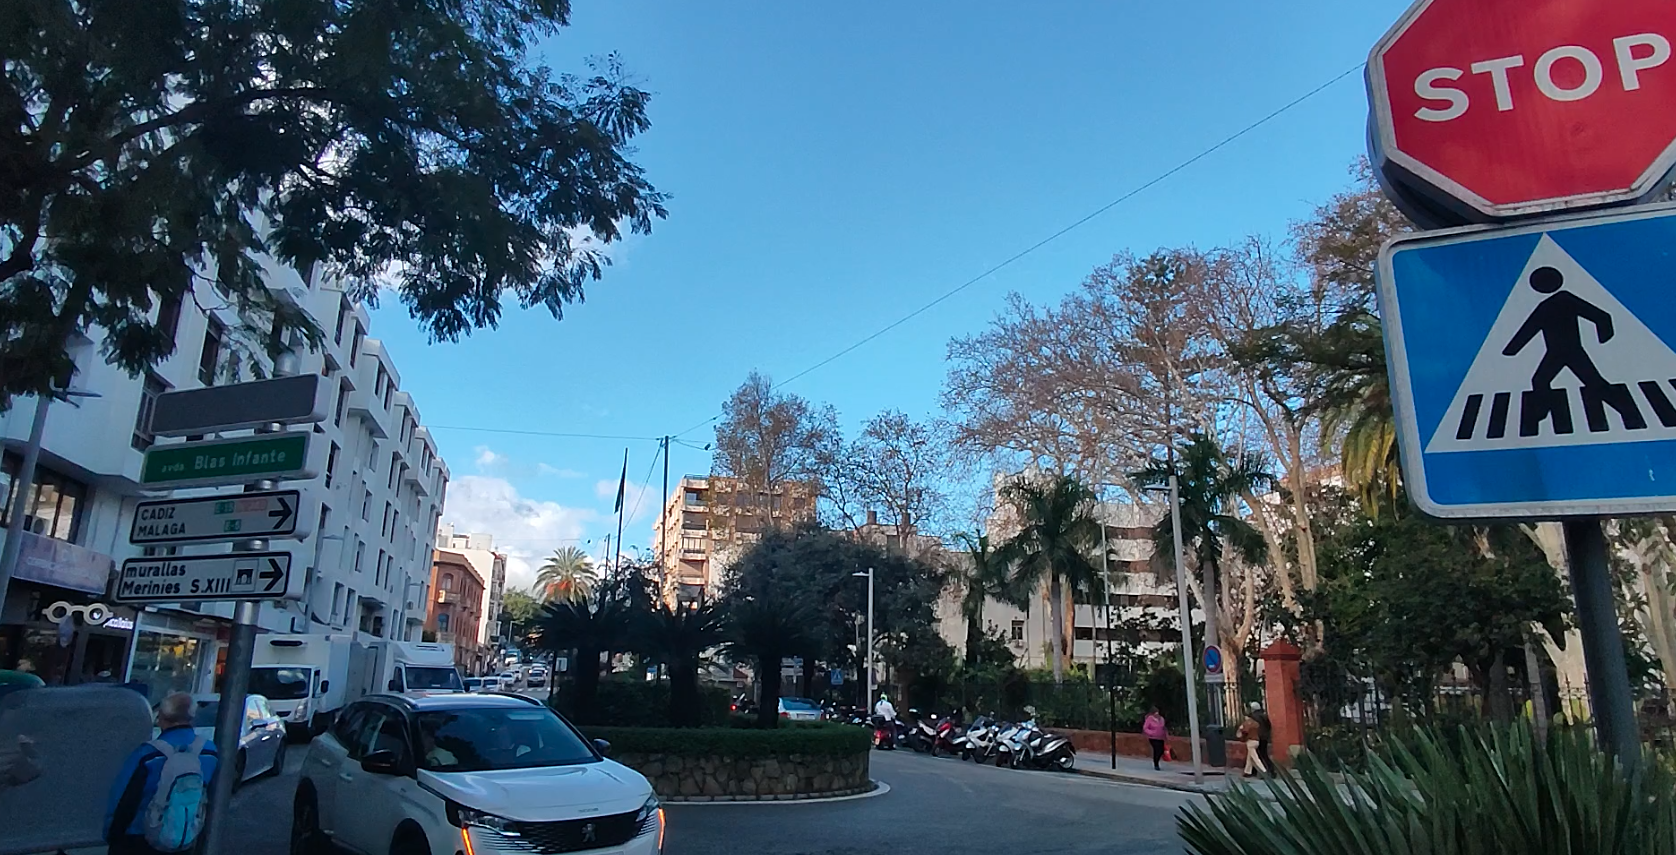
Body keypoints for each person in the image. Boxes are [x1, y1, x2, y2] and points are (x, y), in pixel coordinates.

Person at [104, 693, 218, 855]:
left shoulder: (148, 753)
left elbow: (123, 799)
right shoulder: (209, 751)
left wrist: (112, 835)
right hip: (183, 836)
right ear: (191, 716)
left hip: (139, 837)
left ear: (162, 717)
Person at [1236, 706, 1263, 778]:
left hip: (1250, 741)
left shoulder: (1246, 723)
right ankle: (1247, 772)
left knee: (1255, 757)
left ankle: (1263, 771)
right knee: (1249, 757)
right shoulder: (1255, 723)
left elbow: (1245, 731)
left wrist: (1241, 731)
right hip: (1257, 741)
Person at [1142, 707, 1168, 771]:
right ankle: (1156, 764)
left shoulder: (1161, 719)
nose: (1157, 714)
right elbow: (1145, 728)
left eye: (1158, 712)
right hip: (1153, 738)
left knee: (1161, 750)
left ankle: (1157, 760)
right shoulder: (1149, 719)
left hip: (1161, 737)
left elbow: (1164, 728)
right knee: (1157, 750)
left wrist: (1166, 736)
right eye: (1155, 712)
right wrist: (1151, 733)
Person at [1252, 704, 1275, 776]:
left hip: (1257, 737)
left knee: (1256, 754)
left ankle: (1257, 771)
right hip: (1264, 737)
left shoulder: (1253, 716)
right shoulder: (1264, 716)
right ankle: (1271, 770)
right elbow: (1269, 726)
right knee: (1263, 754)